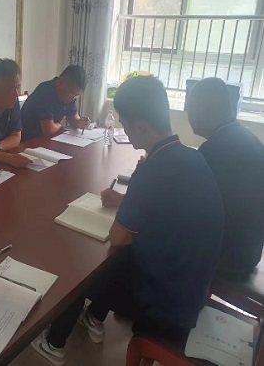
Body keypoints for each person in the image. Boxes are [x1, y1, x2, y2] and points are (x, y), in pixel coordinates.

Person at [31, 76, 224, 366]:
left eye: (125, 122)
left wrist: (131, 200)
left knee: (83, 264)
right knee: (117, 259)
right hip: (192, 288)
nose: (123, 127)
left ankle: (54, 343)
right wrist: (126, 200)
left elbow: (118, 235)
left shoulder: (153, 170)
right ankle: (94, 318)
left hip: (166, 302)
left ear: (142, 126)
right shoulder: (192, 157)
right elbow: (167, 208)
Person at [187, 77, 264, 275]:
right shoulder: (246, 138)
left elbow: (186, 204)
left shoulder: (213, 151)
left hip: (227, 256)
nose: (188, 113)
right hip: (249, 250)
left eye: (192, 107)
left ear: (207, 109)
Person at [21, 65, 91, 141]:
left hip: (46, 140)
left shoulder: (70, 96)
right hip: (28, 141)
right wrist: (60, 125)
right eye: (71, 93)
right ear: (61, 82)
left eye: (76, 95)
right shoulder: (44, 91)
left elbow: (73, 118)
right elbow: (49, 130)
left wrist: (80, 122)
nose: (72, 98)